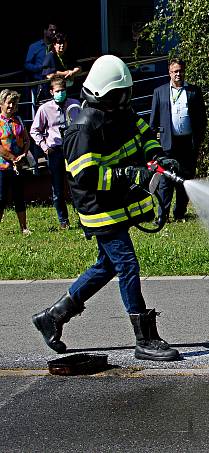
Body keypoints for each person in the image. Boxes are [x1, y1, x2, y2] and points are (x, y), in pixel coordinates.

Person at [31, 55, 181, 361]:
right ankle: (144, 339)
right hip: (99, 209)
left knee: (107, 265)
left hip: (115, 205)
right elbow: (85, 175)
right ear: (107, 93)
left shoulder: (120, 113)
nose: (126, 98)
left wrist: (159, 159)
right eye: (121, 93)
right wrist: (127, 174)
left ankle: (53, 317)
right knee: (126, 264)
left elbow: (144, 137)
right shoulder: (83, 127)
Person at [150, 58, 207, 222]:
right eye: (175, 71)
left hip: (188, 143)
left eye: (181, 71)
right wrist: (154, 146)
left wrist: (199, 140)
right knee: (165, 181)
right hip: (167, 143)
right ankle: (162, 215)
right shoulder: (159, 92)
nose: (178, 74)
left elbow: (202, 119)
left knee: (185, 179)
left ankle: (180, 213)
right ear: (169, 72)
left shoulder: (194, 91)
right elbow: (153, 122)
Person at [29, 78, 81, 229]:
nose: (60, 93)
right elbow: (34, 130)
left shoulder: (75, 104)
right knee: (57, 188)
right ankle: (63, 220)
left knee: (77, 184)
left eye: (62, 90)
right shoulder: (45, 109)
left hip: (72, 149)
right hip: (55, 150)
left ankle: (83, 216)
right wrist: (44, 146)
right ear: (51, 92)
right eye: (57, 91)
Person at [0, 89, 31, 235]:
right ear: (2, 104)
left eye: (14, 103)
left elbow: (26, 140)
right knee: (1, 198)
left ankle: (24, 227)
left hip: (18, 166)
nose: (11, 106)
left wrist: (24, 153)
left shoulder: (18, 120)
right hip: (2, 166)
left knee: (19, 196)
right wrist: (13, 158)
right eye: (9, 103)